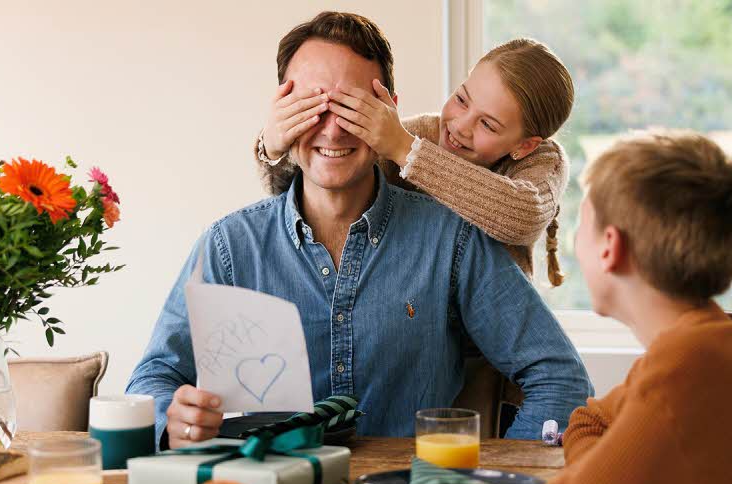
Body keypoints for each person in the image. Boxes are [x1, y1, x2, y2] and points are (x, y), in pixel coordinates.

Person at [127, 11, 591, 450]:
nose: (332, 129)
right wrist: (173, 421)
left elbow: (560, 377)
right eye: (311, 106)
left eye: (352, 108)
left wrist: (489, 482)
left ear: (387, 111)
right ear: (282, 114)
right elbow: (152, 379)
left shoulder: (454, 238)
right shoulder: (230, 246)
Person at [538, 130, 732, 484]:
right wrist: (607, 476)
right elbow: (589, 419)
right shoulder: (710, 346)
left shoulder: (688, 372)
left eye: (579, 227)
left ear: (610, 246)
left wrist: (598, 482)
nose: (572, 243)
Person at [256, 37, 574, 286]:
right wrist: (273, 149)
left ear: (524, 145)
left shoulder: (542, 159)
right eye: (462, 99)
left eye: (488, 125)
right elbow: (325, 181)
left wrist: (405, 150)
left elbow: (525, 215)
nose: (461, 125)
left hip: (490, 355)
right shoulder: (419, 133)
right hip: (416, 335)